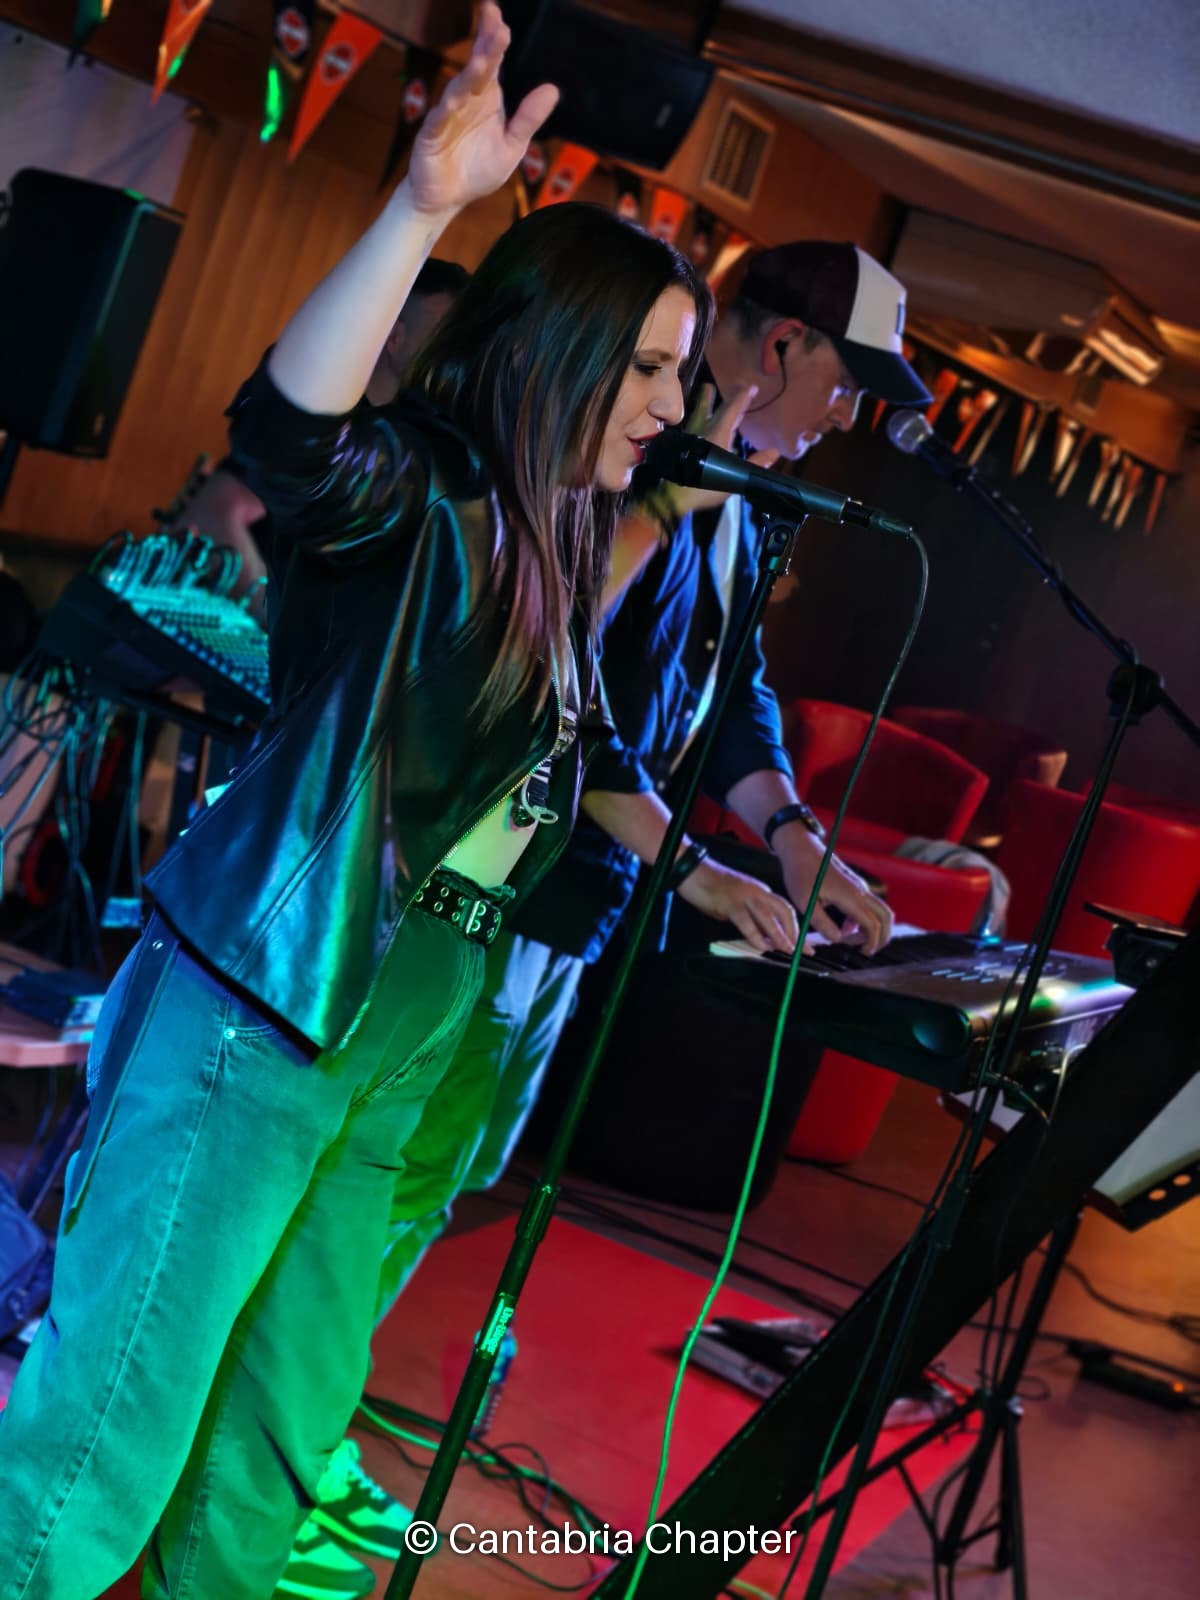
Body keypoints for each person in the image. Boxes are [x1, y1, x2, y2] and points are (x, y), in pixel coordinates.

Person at [0, 10, 720, 1598]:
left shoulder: (563, 526)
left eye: (685, 371)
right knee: (114, 1425)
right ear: (566, 352)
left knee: (274, 1432)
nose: (677, 404)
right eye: (651, 368)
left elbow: (546, 759)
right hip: (275, 984)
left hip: (421, 993)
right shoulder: (430, 485)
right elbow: (289, 433)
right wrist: (419, 207)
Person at [293, 246, 934, 1593]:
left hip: (575, 905)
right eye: (847, 382)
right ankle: (280, 1450)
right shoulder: (622, 475)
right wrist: (693, 863)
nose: (848, 416)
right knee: (377, 1179)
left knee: (432, 1178)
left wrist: (792, 835)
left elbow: (733, 696)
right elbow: (550, 688)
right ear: (782, 347)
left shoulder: (735, 504)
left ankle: (296, 1431)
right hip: (497, 884)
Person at [165, 257, 471, 594]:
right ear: (394, 336)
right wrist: (272, 616)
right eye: (442, 335)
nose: (451, 355)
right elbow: (217, 511)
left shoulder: (408, 439)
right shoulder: (328, 419)